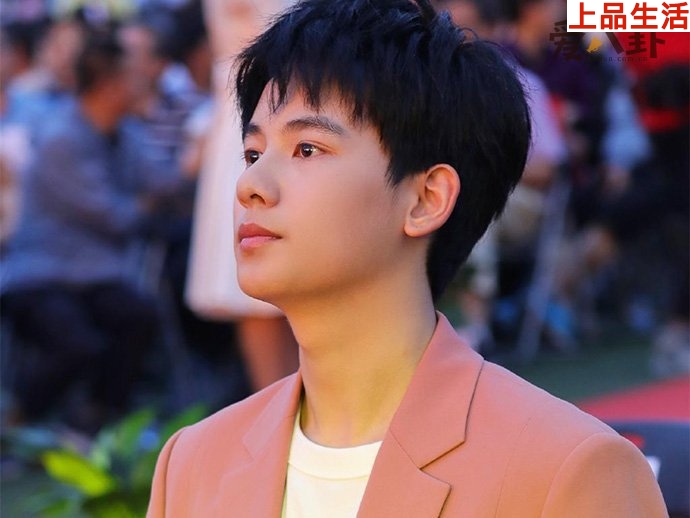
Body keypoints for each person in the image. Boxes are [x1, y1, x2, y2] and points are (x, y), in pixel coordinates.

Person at [148, 1, 666, 516]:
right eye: (253, 153)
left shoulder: (566, 471)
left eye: (307, 148)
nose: (250, 185)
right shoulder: (193, 463)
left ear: (426, 199)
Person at [1, 30, 181, 432]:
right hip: (39, 276)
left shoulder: (125, 131)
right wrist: (147, 202)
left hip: (95, 276)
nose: (143, 81)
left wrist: (193, 160)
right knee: (76, 343)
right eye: (133, 74)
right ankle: (17, 423)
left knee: (137, 316)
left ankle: (98, 421)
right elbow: (117, 217)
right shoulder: (60, 138)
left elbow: (165, 182)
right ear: (110, 84)